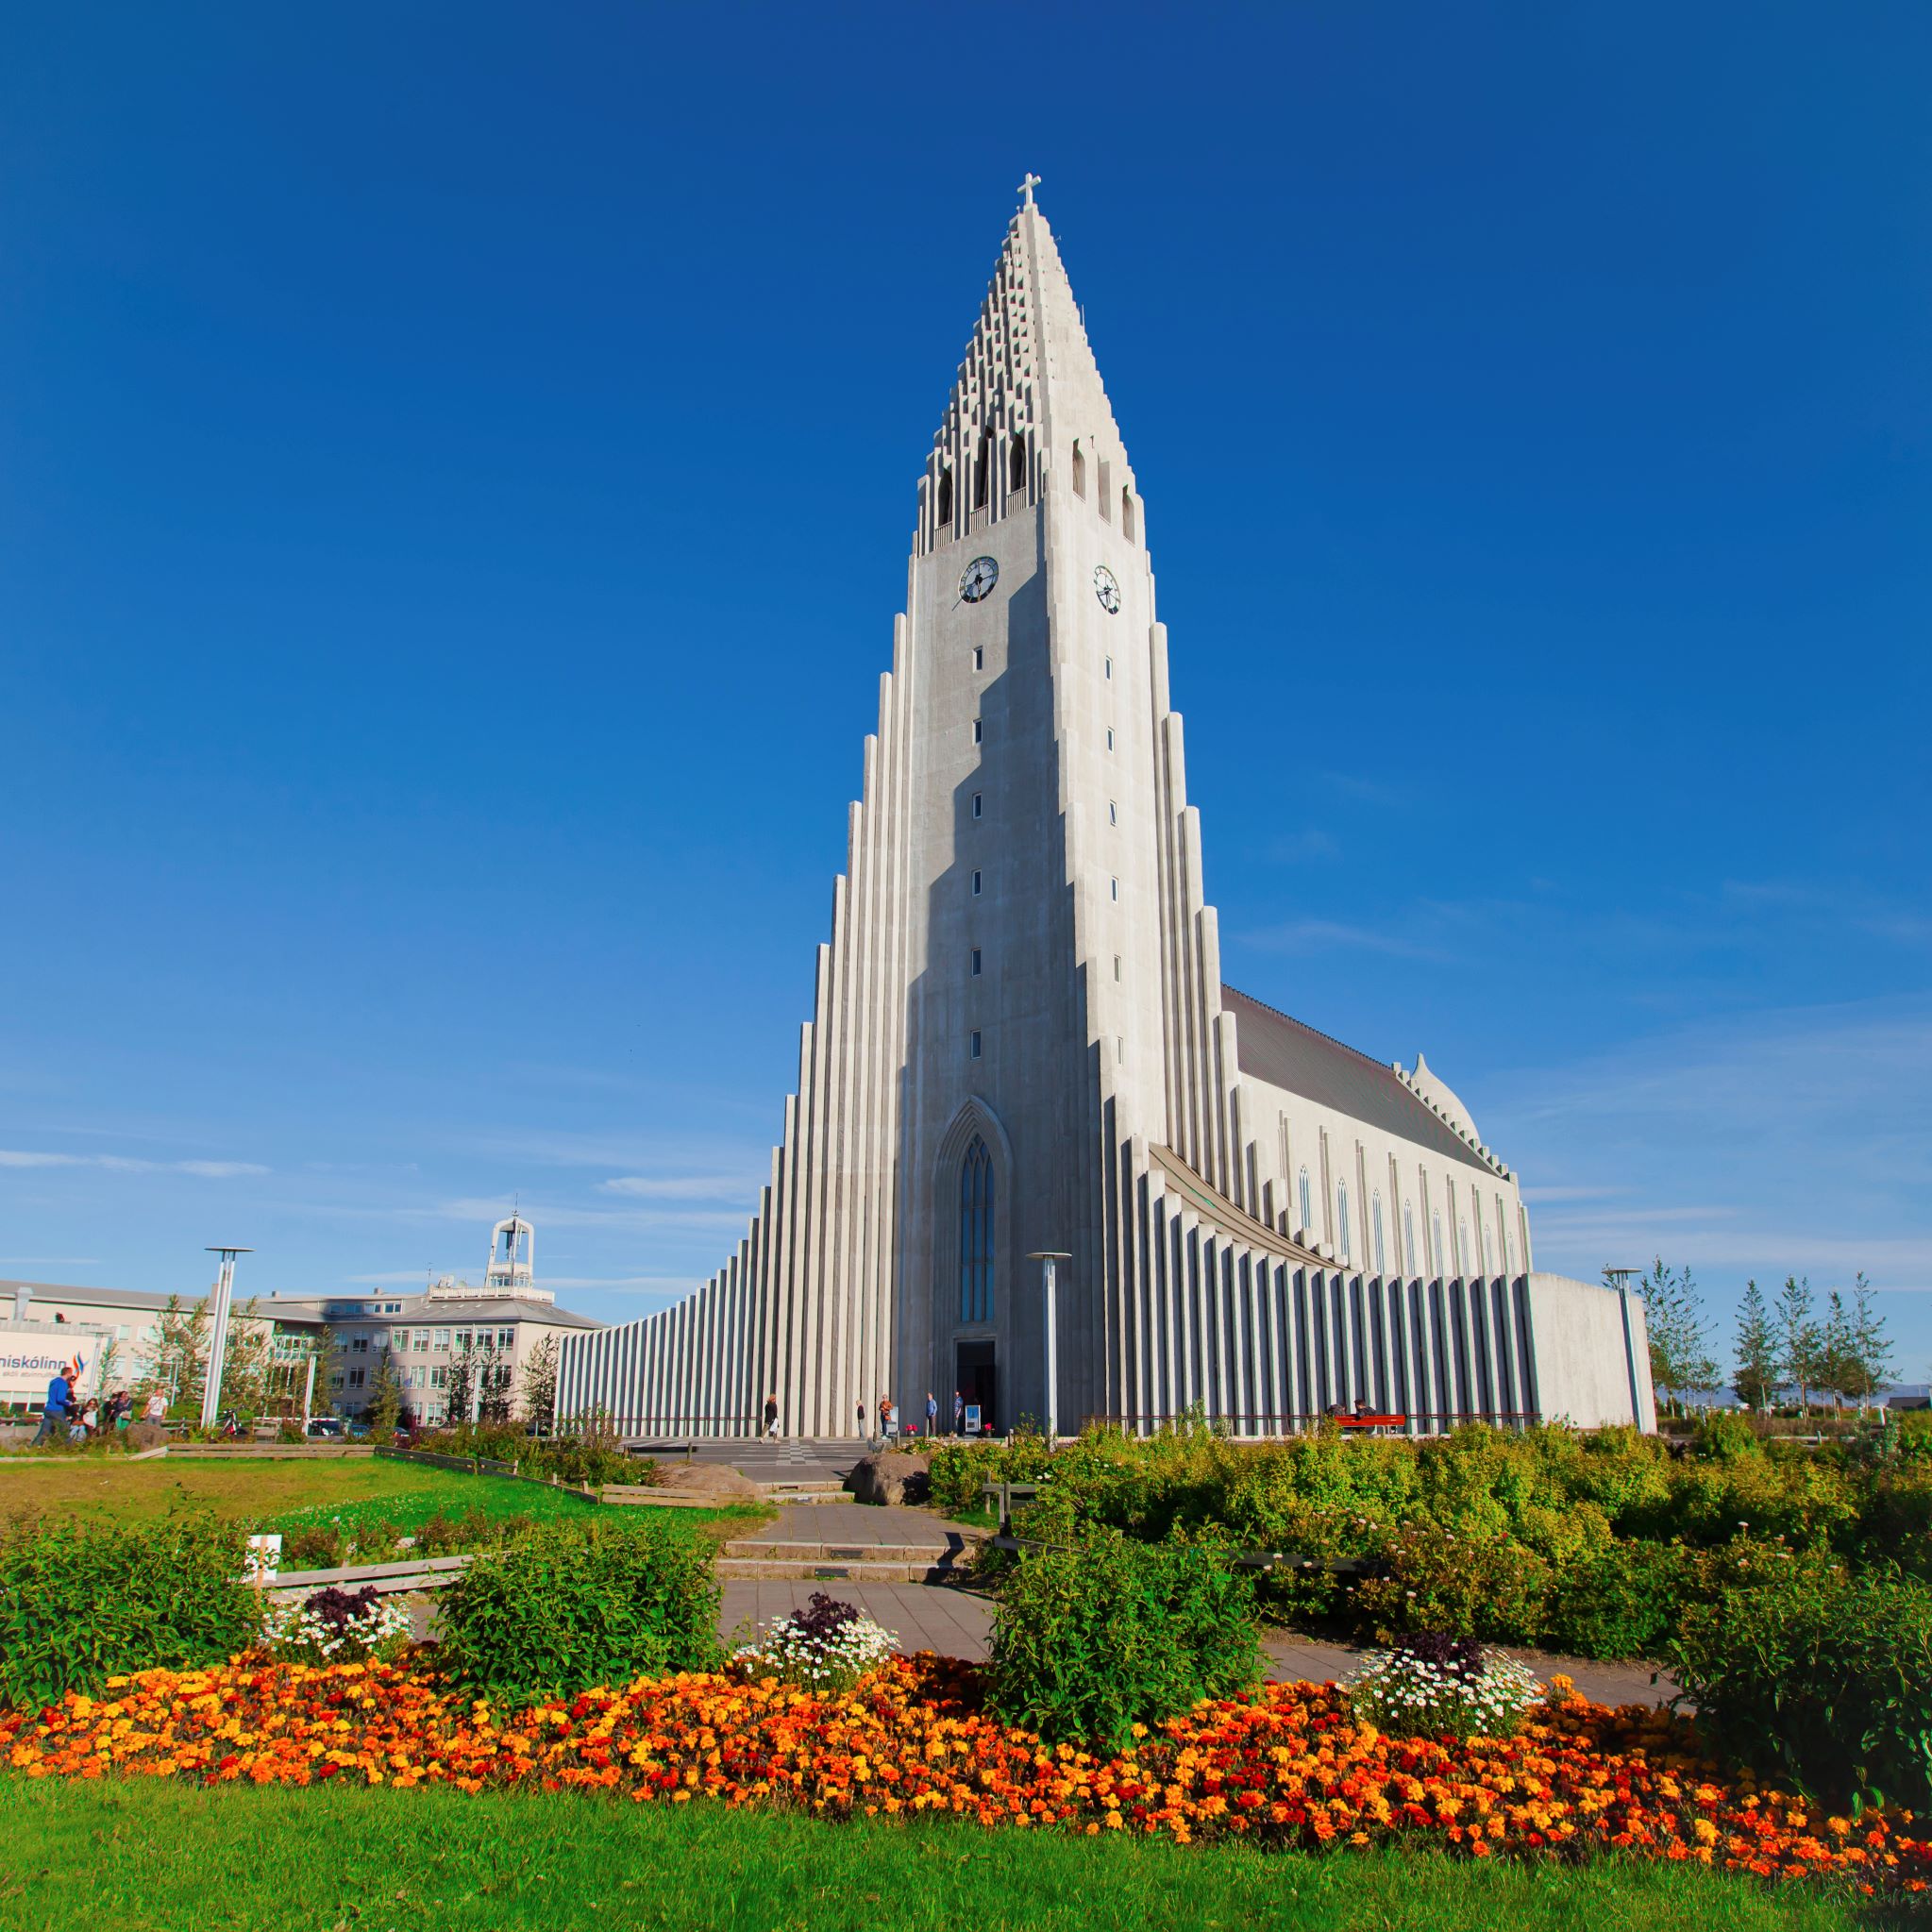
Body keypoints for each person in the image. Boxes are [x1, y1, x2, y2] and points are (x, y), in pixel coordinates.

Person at [32, 1369, 73, 1445]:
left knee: (44, 1431)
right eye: (71, 1373)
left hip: (48, 1409)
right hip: (57, 1410)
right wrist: (68, 1403)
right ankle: (70, 1448)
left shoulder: (53, 1382)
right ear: (68, 1373)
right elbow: (60, 1399)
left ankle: (34, 1446)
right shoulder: (63, 1383)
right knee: (64, 1430)